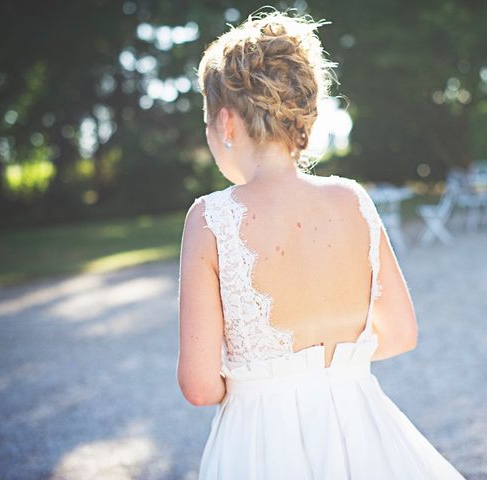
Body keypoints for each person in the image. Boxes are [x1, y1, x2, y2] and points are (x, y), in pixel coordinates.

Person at [177, 7, 467, 479]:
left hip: (261, 445)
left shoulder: (210, 219)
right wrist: (333, 369)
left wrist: (267, 379)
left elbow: (200, 386)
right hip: (362, 429)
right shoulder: (353, 201)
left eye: (207, 122)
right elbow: (401, 333)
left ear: (226, 124)